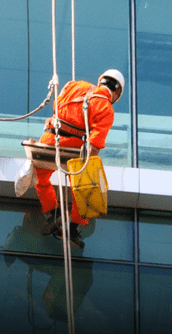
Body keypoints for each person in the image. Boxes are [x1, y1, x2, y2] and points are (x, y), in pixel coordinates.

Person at [37, 69, 125, 246]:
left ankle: (53, 213)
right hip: (73, 149)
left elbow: (57, 106)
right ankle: (74, 227)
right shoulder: (106, 108)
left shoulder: (74, 85)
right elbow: (95, 143)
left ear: (101, 81)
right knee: (85, 187)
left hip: (49, 140)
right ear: (116, 92)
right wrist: (88, 163)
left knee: (41, 177)